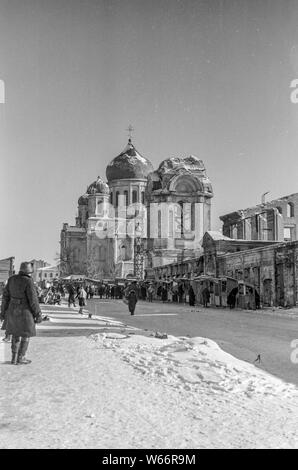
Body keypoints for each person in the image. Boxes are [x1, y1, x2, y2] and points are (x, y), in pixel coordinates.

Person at [0, 262, 42, 365]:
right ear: (28, 271)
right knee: (25, 335)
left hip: (12, 310)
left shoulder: (11, 279)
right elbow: (33, 300)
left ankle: (14, 358)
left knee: (15, 334)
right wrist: (38, 314)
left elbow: (5, 297)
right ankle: (21, 357)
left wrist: (2, 312)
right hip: (25, 312)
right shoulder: (28, 281)